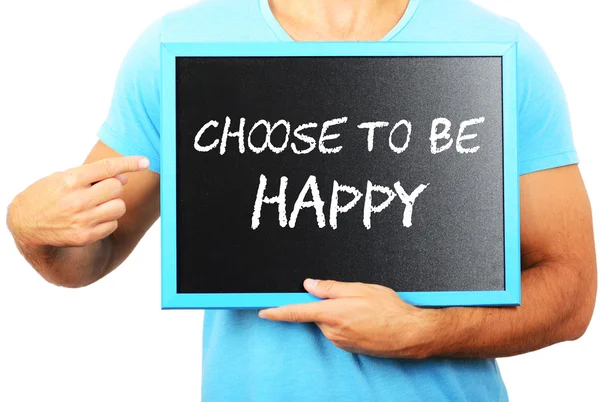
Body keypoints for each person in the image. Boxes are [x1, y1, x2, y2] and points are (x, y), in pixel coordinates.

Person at [6, 0, 597, 400]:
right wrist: (31, 227)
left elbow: (571, 293)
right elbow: (89, 257)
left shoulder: (495, 48)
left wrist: (424, 332)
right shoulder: (179, 46)